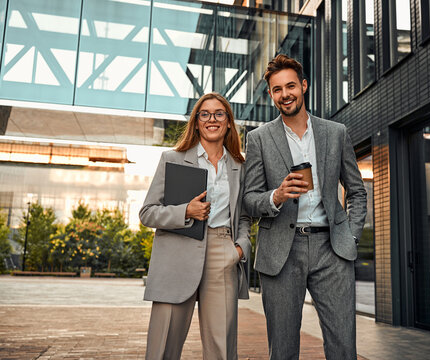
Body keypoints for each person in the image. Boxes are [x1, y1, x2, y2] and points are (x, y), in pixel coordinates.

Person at [243, 54, 367, 360]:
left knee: (343, 347)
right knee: (283, 349)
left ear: (304, 86)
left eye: (290, 86)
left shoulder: (336, 133)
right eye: (277, 89)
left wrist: (350, 236)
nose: (285, 94)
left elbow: (357, 191)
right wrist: (277, 195)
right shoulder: (258, 139)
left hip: (332, 249)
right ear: (271, 95)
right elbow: (249, 198)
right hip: (282, 252)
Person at [139, 92, 251, 360]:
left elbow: (244, 216)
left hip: (223, 254)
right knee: (163, 347)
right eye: (205, 114)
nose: (212, 119)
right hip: (177, 252)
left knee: (222, 348)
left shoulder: (239, 166)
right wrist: (184, 211)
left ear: (228, 122)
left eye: (219, 114)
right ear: (197, 122)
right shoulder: (172, 159)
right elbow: (147, 213)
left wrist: (240, 249)